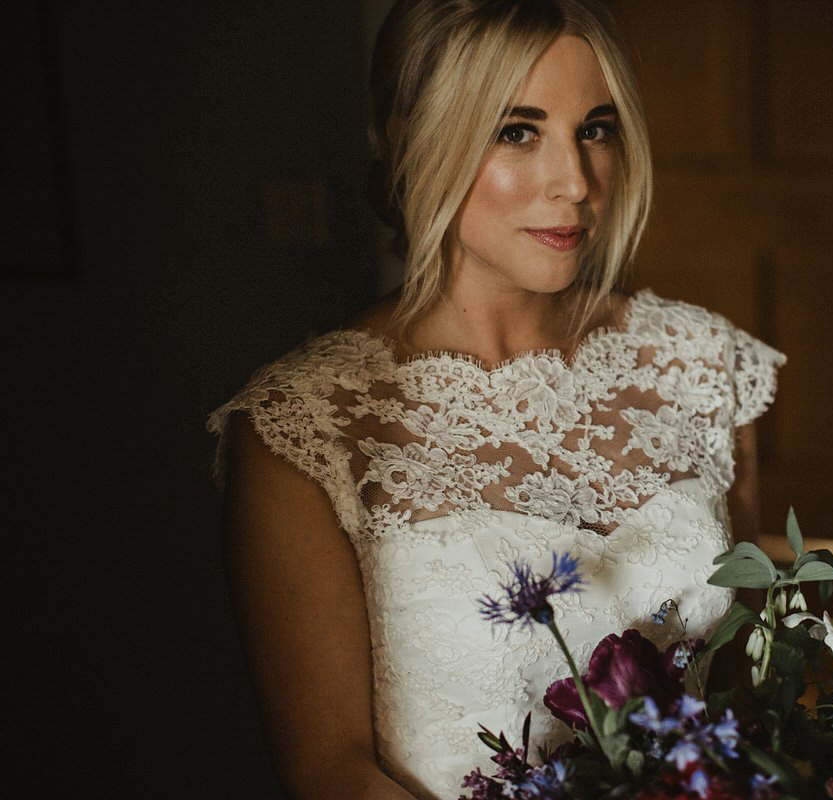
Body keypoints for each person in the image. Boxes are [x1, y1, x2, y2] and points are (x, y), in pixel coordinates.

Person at [207, 1, 785, 797]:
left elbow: (752, 691)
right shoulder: (299, 434)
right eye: (517, 130)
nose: (576, 183)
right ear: (412, 138)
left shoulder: (703, 365)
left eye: (596, 127)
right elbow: (330, 770)